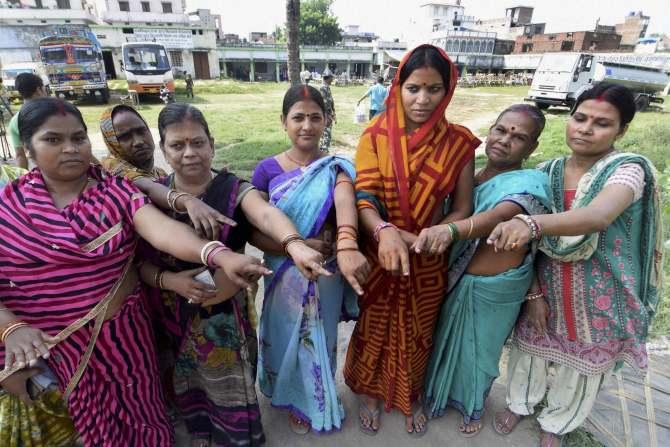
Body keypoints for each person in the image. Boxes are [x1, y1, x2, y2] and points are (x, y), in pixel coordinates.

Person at [0, 97, 272, 447]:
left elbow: (160, 230)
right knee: (85, 426)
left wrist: (216, 254)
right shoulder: (9, 208)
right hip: (54, 347)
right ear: (28, 149)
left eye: (78, 138)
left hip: (125, 339)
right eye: (53, 140)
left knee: (144, 413)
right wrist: (11, 328)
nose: (70, 149)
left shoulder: (115, 192)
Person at [141, 103, 330, 447]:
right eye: (177, 145)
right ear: (163, 150)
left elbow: (267, 215)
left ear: (212, 144)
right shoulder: (151, 198)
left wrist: (295, 245)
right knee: (186, 381)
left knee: (230, 386)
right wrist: (171, 282)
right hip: (171, 312)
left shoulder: (233, 189)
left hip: (223, 319)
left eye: (198, 143)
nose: (189, 153)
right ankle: (200, 430)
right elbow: (138, 264)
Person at [488, 84, 663, 447]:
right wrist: (533, 292)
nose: (585, 129)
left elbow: (597, 216)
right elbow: (530, 247)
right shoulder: (546, 172)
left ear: (622, 131)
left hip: (601, 291)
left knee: (582, 364)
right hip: (545, 283)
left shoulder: (627, 171)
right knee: (530, 349)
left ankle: (557, 421)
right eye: (580, 118)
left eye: (602, 123)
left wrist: (530, 224)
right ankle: (520, 404)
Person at [344, 44, 480, 436]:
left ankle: (410, 393)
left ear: (448, 90)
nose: (422, 99)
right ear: (398, 86)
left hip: (427, 256)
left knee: (420, 329)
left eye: (434, 89)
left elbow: (463, 208)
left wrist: (438, 234)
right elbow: (364, 197)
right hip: (380, 249)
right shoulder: (375, 136)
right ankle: (370, 390)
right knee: (374, 323)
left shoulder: (460, 143)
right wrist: (386, 232)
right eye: (414, 88)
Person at [422, 104, 551, 437]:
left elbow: (497, 218)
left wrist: (451, 231)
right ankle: (437, 395)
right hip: (457, 280)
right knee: (443, 343)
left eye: (518, 137)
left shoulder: (530, 182)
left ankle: (472, 404)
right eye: (501, 129)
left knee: (481, 355)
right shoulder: (467, 178)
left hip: (499, 288)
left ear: (532, 147)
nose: (505, 140)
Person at [252, 84, 370, 435]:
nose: (307, 125)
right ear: (283, 122)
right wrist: (296, 245)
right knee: (284, 336)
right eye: (298, 117)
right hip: (281, 270)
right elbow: (253, 229)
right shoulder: (266, 170)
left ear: (327, 120)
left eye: (315, 117)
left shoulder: (335, 168)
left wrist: (346, 242)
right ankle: (287, 392)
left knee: (320, 338)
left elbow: (346, 205)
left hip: (325, 273)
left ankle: (315, 399)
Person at [8, 72, 48, 169]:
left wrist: (22, 181)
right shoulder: (57, 112)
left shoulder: (14, 121)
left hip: (40, 174)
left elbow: (20, 155)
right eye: (44, 88)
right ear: (39, 90)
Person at [319, 69, 336, 152]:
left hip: (328, 114)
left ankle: (324, 150)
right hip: (325, 115)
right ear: (327, 78)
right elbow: (324, 103)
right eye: (331, 78)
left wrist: (333, 112)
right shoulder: (323, 88)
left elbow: (330, 100)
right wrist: (326, 116)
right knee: (326, 134)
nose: (332, 80)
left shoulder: (327, 87)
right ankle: (323, 151)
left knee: (327, 134)